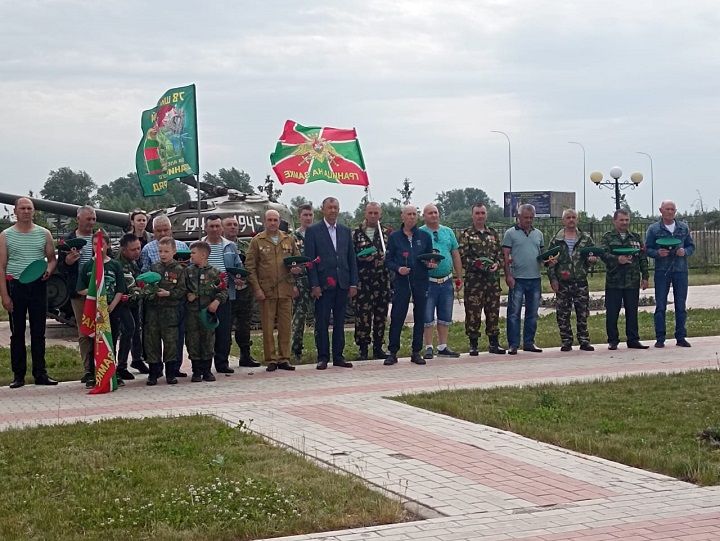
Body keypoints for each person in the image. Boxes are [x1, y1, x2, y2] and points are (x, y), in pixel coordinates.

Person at [0, 197, 58, 388]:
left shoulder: (44, 233)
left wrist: (49, 269)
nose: (26, 211)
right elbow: (1, 266)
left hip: (38, 285)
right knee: (17, 333)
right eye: (22, 208)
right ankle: (18, 375)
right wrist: (5, 296)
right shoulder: (5, 235)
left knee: (39, 332)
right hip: (15, 285)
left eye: (29, 208)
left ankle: (40, 373)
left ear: (34, 211)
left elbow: (51, 259)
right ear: (15, 211)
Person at [303, 197, 358, 370]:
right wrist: (314, 284)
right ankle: (323, 357)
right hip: (323, 284)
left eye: (336, 207)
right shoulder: (313, 231)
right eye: (330, 207)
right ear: (323, 209)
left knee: (340, 322)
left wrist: (353, 283)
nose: (333, 210)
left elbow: (351, 258)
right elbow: (310, 260)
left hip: (342, 283)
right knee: (322, 322)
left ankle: (339, 356)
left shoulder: (345, 230)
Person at [246, 210, 302, 371]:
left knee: (285, 326)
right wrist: (257, 288)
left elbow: (296, 260)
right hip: (267, 290)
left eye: (275, 220)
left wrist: (297, 271)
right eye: (269, 220)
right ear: (265, 221)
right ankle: (271, 359)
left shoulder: (288, 239)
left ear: (279, 222)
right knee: (268, 327)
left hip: (285, 289)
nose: (272, 223)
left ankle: (284, 358)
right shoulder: (257, 241)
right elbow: (250, 266)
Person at [384, 204, 435, 366]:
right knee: (398, 316)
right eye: (409, 214)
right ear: (402, 217)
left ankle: (416, 351)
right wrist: (398, 268)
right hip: (402, 282)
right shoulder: (394, 237)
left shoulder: (424, 237)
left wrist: (430, 263)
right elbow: (388, 260)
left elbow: (429, 257)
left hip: (420, 281)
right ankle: (392, 352)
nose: (412, 217)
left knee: (420, 315)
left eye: (414, 214)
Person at [140, 215, 189, 378]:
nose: (162, 254)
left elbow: (183, 288)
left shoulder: (179, 267)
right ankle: (154, 372)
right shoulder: (152, 261)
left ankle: (172, 372)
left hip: (172, 310)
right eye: (160, 251)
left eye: (166, 251)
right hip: (154, 310)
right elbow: (144, 279)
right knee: (152, 341)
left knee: (172, 342)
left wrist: (169, 294)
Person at [77, 233, 127, 387]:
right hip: (94, 311)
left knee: (110, 340)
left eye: (101, 244)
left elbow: (120, 289)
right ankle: (92, 373)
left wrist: (111, 306)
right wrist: (95, 294)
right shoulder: (87, 266)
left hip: (111, 309)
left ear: (108, 245)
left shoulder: (115, 265)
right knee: (93, 340)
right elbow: (80, 289)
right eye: (94, 244)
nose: (98, 247)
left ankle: (112, 371)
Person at [457, 202, 506, 356]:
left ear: (486, 215)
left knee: (493, 312)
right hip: (474, 282)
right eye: (477, 213)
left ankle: (493, 343)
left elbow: (500, 255)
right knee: (473, 313)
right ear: (472, 215)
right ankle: (473, 344)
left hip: (492, 281)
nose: (480, 216)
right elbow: (462, 258)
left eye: (482, 213)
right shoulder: (466, 234)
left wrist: (497, 265)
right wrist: (479, 264)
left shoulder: (493, 234)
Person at [546, 209, 597, 352]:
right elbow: (549, 262)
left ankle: (584, 341)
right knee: (563, 314)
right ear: (563, 220)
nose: (571, 220)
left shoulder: (585, 238)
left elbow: (592, 256)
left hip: (580, 280)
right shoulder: (556, 239)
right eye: (568, 217)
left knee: (582, 312)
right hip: (563, 282)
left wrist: (592, 260)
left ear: (577, 220)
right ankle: (566, 341)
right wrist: (553, 280)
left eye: (574, 217)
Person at [645, 200, 694, 348]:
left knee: (681, 305)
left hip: (680, 270)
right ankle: (660, 338)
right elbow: (647, 248)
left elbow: (691, 246)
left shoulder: (683, 228)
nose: (670, 212)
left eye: (673, 209)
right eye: (667, 209)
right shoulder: (654, 229)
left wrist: (684, 251)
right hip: (662, 270)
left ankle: (681, 337)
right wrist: (657, 253)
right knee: (660, 305)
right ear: (661, 210)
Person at [57, 205, 97, 382]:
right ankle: (88, 369)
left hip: (98, 291)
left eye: (93, 219)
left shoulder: (99, 238)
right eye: (88, 219)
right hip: (79, 292)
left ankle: (102, 365)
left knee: (101, 330)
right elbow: (60, 267)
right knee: (84, 331)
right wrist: (68, 261)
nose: (91, 222)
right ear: (78, 219)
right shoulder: (68, 240)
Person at [600, 209, 649, 350]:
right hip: (614, 281)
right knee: (612, 312)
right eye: (621, 220)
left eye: (627, 220)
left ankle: (633, 339)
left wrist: (645, 277)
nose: (624, 223)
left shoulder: (635, 237)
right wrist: (617, 259)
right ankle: (613, 340)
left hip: (632, 281)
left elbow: (642, 257)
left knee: (632, 312)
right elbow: (603, 254)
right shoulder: (608, 237)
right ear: (615, 221)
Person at [420, 204, 463, 359]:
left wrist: (459, 276)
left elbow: (455, 253)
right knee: (427, 315)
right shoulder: (420, 233)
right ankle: (429, 346)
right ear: (424, 216)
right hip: (428, 281)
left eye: (435, 212)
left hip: (446, 281)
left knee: (445, 314)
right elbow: (416, 256)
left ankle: (443, 346)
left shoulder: (448, 232)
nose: (433, 215)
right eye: (430, 213)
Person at [203, 214, 243, 374]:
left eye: (217, 226)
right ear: (205, 228)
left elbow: (238, 266)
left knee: (224, 331)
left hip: (225, 294)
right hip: (204, 295)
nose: (214, 229)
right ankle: (204, 365)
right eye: (211, 226)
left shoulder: (230, 246)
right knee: (205, 331)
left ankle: (222, 363)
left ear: (221, 228)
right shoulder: (199, 246)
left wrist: (239, 278)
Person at [502, 204, 544, 355]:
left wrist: (547, 260)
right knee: (514, 313)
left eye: (531, 217)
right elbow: (505, 256)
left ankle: (529, 342)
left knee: (532, 313)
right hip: (517, 279)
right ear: (518, 217)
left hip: (535, 278)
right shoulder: (510, 233)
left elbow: (542, 254)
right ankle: (513, 344)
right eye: (526, 217)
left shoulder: (538, 234)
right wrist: (508, 275)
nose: (529, 220)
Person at [352, 202, 392, 360]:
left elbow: (391, 254)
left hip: (381, 281)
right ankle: (362, 347)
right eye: (371, 213)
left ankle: (378, 346)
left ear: (380, 214)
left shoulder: (386, 233)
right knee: (363, 316)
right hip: (363, 282)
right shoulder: (356, 233)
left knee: (381, 315)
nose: (373, 216)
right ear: (365, 213)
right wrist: (362, 259)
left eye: (376, 213)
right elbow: (350, 257)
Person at [184, 241, 228, 382]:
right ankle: (196, 370)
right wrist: (187, 295)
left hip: (207, 313)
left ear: (203, 255)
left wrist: (216, 301)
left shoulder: (214, 272)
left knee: (208, 340)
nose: (191, 256)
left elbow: (223, 290)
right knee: (192, 341)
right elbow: (181, 288)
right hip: (191, 313)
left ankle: (207, 370)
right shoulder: (188, 272)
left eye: (193, 253)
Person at [221, 215, 260, 368]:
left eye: (235, 224)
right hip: (227, 291)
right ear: (223, 228)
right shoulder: (221, 246)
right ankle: (223, 358)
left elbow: (252, 265)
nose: (232, 227)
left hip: (244, 291)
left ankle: (245, 355)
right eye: (229, 224)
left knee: (244, 325)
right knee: (226, 325)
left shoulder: (246, 246)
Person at [115, 233, 149, 379]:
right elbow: (131, 286)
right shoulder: (120, 264)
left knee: (136, 329)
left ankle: (137, 359)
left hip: (133, 301)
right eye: (133, 249)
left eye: (138, 248)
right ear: (124, 250)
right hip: (122, 302)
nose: (137, 252)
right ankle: (121, 366)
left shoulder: (133, 261)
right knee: (128, 329)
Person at [290, 204, 315, 362]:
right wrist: (292, 283)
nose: (308, 218)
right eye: (305, 215)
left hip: (318, 281)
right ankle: (296, 350)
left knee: (321, 316)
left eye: (310, 215)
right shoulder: (293, 237)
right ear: (300, 217)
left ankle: (323, 349)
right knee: (299, 317)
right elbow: (289, 262)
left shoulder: (319, 234)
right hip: (300, 281)